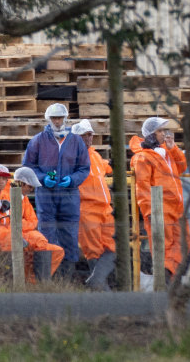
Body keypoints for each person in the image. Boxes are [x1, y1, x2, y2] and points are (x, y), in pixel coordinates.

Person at [22, 103, 90, 279]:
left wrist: (72, 180)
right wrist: (43, 179)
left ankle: (66, 280)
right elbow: (28, 167)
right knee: (47, 236)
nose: (57, 121)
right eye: (54, 118)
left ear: (66, 118)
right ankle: (47, 280)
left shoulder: (76, 141)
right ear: (48, 119)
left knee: (69, 236)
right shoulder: (37, 141)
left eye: (60, 117)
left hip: (69, 196)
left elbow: (84, 168)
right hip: (46, 196)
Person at [0, 164, 64, 281]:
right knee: (16, 243)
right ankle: (14, 281)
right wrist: (13, 233)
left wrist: (15, 230)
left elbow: (31, 221)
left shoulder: (4, 195)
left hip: (5, 234)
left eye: (4, 178)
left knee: (47, 245)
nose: (1, 181)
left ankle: (36, 283)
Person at [133, 117, 188, 282]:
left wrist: (174, 149)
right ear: (151, 134)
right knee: (164, 248)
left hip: (176, 209)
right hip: (160, 210)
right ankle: (165, 281)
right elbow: (142, 187)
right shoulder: (143, 157)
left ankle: (168, 276)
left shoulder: (166, 152)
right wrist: (150, 212)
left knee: (183, 244)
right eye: (160, 131)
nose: (165, 134)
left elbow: (182, 167)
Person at [71, 119, 116, 290]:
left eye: (90, 134)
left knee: (114, 247)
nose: (88, 138)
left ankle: (96, 280)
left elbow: (104, 168)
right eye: (84, 135)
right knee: (93, 250)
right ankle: (101, 289)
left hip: (106, 209)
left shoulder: (94, 155)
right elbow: (54, 172)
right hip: (86, 209)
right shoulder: (70, 157)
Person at [14, 167, 65, 281]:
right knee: (39, 245)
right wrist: (25, 225)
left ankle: (39, 282)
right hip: (16, 237)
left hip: (27, 236)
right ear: (21, 183)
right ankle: (32, 281)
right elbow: (11, 223)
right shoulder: (8, 196)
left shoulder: (24, 199)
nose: (31, 189)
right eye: (30, 186)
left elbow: (33, 221)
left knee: (57, 251)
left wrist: (24, 224)